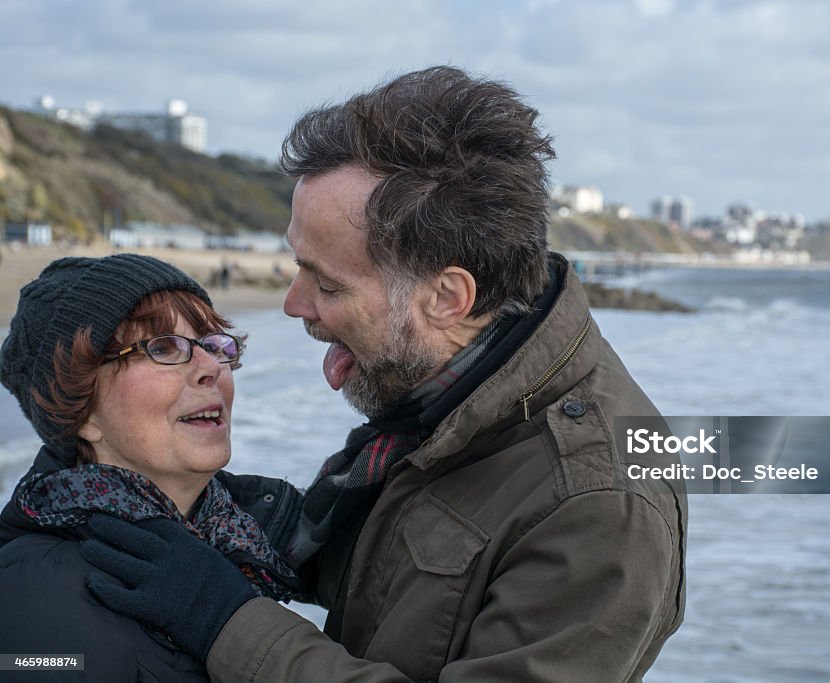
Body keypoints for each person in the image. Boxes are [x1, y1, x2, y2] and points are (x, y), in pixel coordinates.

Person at [80, 66, 687, 682]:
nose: (293, 303)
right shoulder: (455, 394)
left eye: (328, 282)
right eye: (299, 265)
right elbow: (413, 580)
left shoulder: (600, 505)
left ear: (448, 297)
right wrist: (263, 520)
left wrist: (225, 621)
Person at [0, 254, 301, 681]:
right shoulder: (33, 594)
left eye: (213, 344)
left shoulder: (245, 544)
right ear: (81, 412)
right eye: (161, 347)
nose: (212, 367)